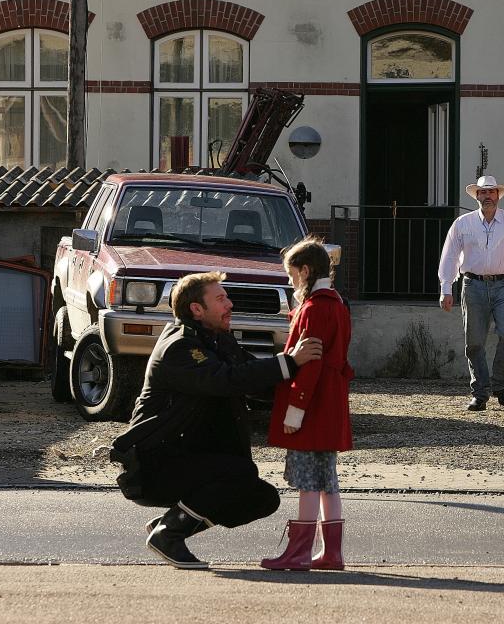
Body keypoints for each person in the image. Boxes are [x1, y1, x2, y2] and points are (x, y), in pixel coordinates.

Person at [110, 271, 323, 570]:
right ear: (197, 309)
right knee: (238, 473)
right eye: (221, 299)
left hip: (187, 457)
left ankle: (172, 523)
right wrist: (288, 362)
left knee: (261, 497)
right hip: (153, 464)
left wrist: (307, 390)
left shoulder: (218, 341)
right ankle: (169, 534)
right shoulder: (180, 347)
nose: (230, 304)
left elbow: (255, 381)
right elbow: (225, 380)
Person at [261, 237, 354, 571]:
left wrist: (295, 410)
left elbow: (310, 364)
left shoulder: (314, 308)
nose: (290, 281)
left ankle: (299, 551)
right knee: (327, 480)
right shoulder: (338, 305)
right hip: (330, 400)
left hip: (312, 404)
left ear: (304, 271)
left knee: (308, 480)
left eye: (291, 274)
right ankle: (331, 552)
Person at [437, 175, 504, 411]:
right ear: (477, 196)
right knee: (474, 341)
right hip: (473, 285)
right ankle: (480, 392)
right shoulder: (463, 223)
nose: (487, 196)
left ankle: (500, 385)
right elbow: (450, 256)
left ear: (498, 195)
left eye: (491, 192)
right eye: (483, 192)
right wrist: (446, 287)